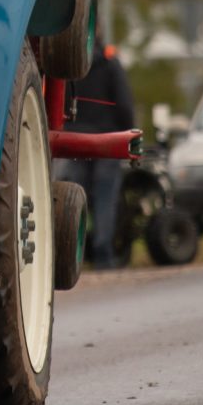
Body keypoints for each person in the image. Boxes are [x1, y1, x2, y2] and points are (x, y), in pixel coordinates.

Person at [54, 45, 137, 268]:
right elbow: (124, 103)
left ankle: (74, 256)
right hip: (106, 141)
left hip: (76, 141)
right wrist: (129, 133)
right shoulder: (110, 63)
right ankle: (103, 255)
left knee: (76, 200)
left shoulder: (69, 63)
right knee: (105, 198)